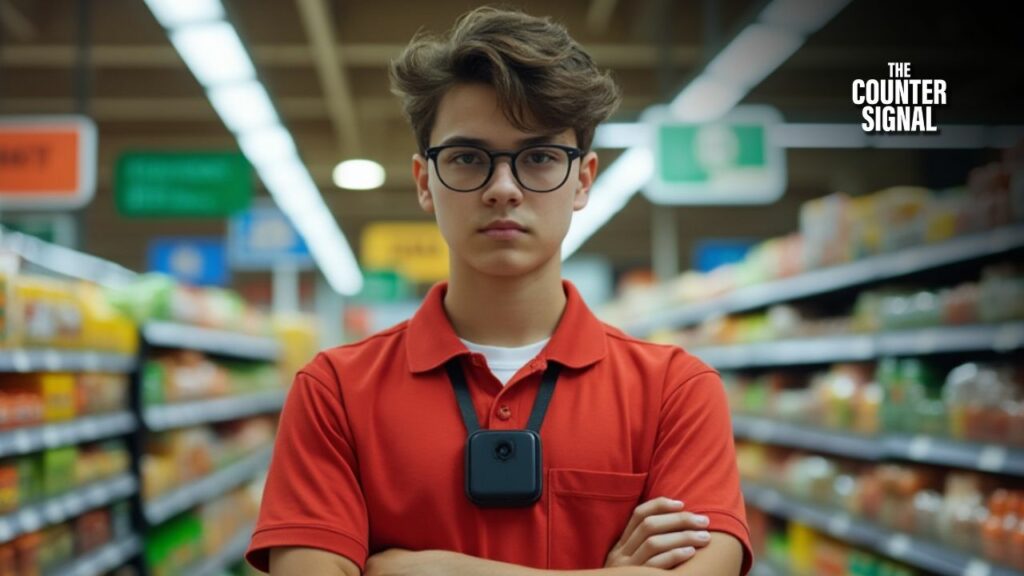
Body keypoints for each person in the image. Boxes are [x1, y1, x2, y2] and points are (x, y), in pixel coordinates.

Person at [246, 6, 751, 575]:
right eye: (467, 158)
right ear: (424, 182)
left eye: (538, 158)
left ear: (583, 179)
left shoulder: (675, 392)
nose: (503, 188)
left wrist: (434, 571)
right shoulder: (334, 391)